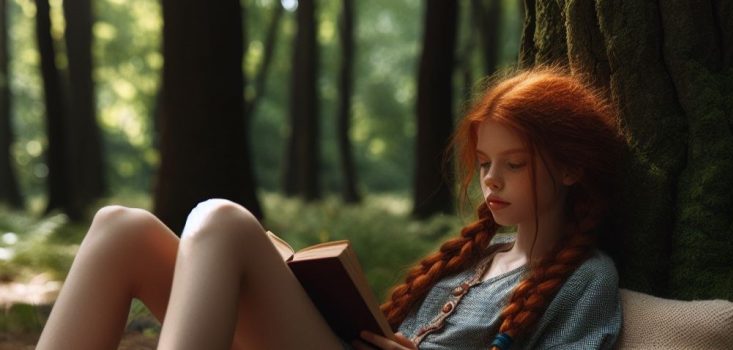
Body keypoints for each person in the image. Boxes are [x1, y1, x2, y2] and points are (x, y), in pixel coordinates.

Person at [37, 67, 624, 350]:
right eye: (486, 162)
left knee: (220, 220)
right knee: (123, 226)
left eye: (513, 164)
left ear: (569, 168)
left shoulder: (584, 280)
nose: (491, 180)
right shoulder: (473, 258)